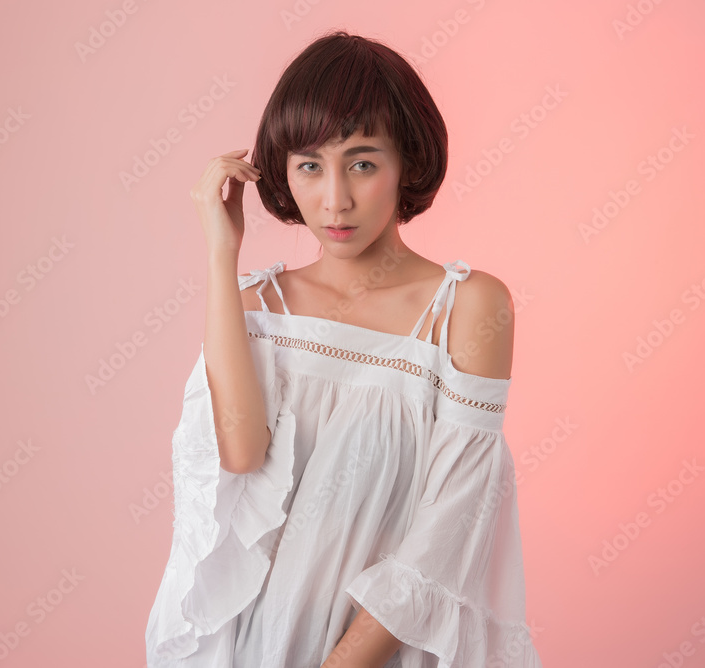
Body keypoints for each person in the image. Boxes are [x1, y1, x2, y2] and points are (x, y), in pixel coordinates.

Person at [145, 30, 542, 668]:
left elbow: (450, 527)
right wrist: (222, 253)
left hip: (386, 650)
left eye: (362, 163)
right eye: (310, 166)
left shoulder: (466, 308)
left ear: (407, 162)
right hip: (258, 643)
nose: (335, 200)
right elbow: (241, 456)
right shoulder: (257, 307)